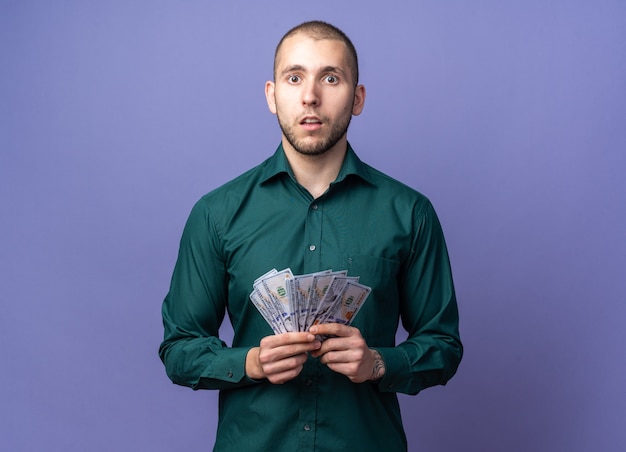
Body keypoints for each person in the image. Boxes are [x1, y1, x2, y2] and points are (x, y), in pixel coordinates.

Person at [159, 20, 462, 451]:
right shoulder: (216, 214)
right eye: (294, 77)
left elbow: (443, 346)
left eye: (331, 78)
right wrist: (251, 362)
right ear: (272, 95)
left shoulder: (410, 213)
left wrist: (378, 362)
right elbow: (179, 348)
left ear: (357, 99)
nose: (310, 96)